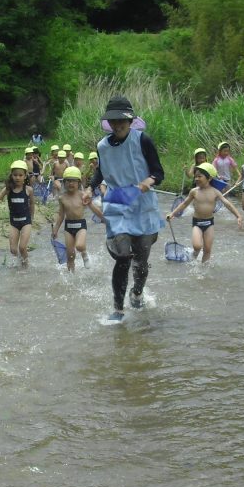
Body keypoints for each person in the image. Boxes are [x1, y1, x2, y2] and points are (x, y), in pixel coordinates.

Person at [91, 96, 165, 321]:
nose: (117, 124)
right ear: (109, 123)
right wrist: (90, 188)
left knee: (141, 262)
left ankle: (137, 292)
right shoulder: (102, 146)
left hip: (143, 205)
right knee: (123, 257)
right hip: (117, 202)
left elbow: (158, 173)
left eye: (122, 120)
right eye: (113, 120)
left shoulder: (143, 140)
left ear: (131, 120)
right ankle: (117, 308)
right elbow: (101, 172)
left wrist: (147, 182)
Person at [166, 163, 244, 263]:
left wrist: (238, 215)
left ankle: (203, 269)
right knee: (197, 246)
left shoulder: (215, 192)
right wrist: (172, 214)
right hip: (197, 223)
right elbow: (184, 204)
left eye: (200, 176)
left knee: (207, 250)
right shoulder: (194, 191)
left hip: (209, 223)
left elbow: (227, 203)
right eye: (195, 176)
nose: (196, 179)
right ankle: (193, 257)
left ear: (209, 178)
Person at [0, 161, 35, 266]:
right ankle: (19, 262)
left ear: (25, 176)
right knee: (13, 250)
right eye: (15, 175)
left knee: (22, 247)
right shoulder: (8, 189)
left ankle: (26, 265)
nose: (17, 178)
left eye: (20, 175)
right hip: (14, 223)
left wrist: (32, 217)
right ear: (11, 176)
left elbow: (32, 205)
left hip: (26, 222)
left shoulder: (28, 190)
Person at [52, 167, 100, 272]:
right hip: (68, 227)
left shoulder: (83, 195)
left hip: (80, 225)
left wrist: (103, 218)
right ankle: (71, 278)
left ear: (79, 182)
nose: (71, 183)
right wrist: (55, 229)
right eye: (68, 181)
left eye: (74, 181)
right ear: (64, 182)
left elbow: (93, 207)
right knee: (70, 255)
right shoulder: (62, 197)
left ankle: (84, 254)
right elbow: (61, 215)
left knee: (80, 246)